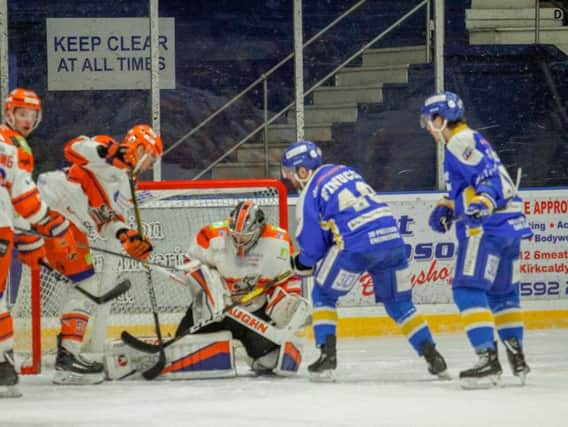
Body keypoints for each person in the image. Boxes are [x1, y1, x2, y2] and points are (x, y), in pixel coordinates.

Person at [280, 140, 448, 382]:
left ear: (302, 170)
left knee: (323, 295)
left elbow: (313, 249)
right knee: (399, 305)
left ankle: (327, 358)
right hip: (392, 241)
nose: (291, 181)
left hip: (356, 246)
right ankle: (434, 357)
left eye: (290, 174)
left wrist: (300, 263)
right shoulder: (345, 171)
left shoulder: (309, 193)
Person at [420, 91, 532, 389]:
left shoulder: (458, 141)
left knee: (467, 289)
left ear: (440, 118)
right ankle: (516, 356)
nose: (428, 128)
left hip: (486, 228)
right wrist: (450, 204)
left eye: (429, 121)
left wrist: (482, 202)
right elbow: (478, 180)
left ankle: (487, 360)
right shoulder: (472, 138)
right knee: (503, 295)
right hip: (510, 225)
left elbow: (488, 181)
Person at [36, 124, 163, 385]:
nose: (150, 164)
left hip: (71, 225)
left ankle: (68, 355)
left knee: (85, 284)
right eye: (149, 156)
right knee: (85, 284)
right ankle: (66, 357)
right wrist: (108, 151)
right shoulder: (108, 150)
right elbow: (72, 148)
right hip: (49, 210)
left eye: (153, 160)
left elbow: (107, 222)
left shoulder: (128, 187)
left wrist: (126, 237)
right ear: (137, 146)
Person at [174, 199, 311, 376]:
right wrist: (211, 287)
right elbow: (189, 263)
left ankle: (253, 353)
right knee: (181, 351)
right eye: (235, 235)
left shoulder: (279, 242)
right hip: (216, 311)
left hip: (253, 314)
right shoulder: (212, 234)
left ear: (259, 230)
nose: (238, 240)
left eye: (244, 236)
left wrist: (288, 303)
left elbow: (289, 280)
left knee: (271, 361)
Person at [0, 133, 78, 397]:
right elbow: (23, 204)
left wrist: (35, 239)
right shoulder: (8, 152)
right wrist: (51, 226)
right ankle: (3, 366)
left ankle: (3, 366)